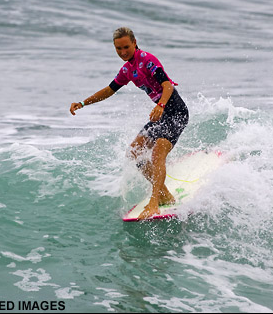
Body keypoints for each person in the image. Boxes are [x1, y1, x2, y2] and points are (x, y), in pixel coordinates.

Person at [70, 27, 189, 220]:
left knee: (158, 153)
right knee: (134, 152)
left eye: (126, 47)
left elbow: (167, 85)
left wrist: (161, 104)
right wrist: (83, 103)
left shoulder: (148, 60)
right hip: (160, 115)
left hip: (176, 112)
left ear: (134, 43)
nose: (123, 52)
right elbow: (109, 90)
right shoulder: (127, 70)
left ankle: (154, 202)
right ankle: (163, 193)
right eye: (118, 49)